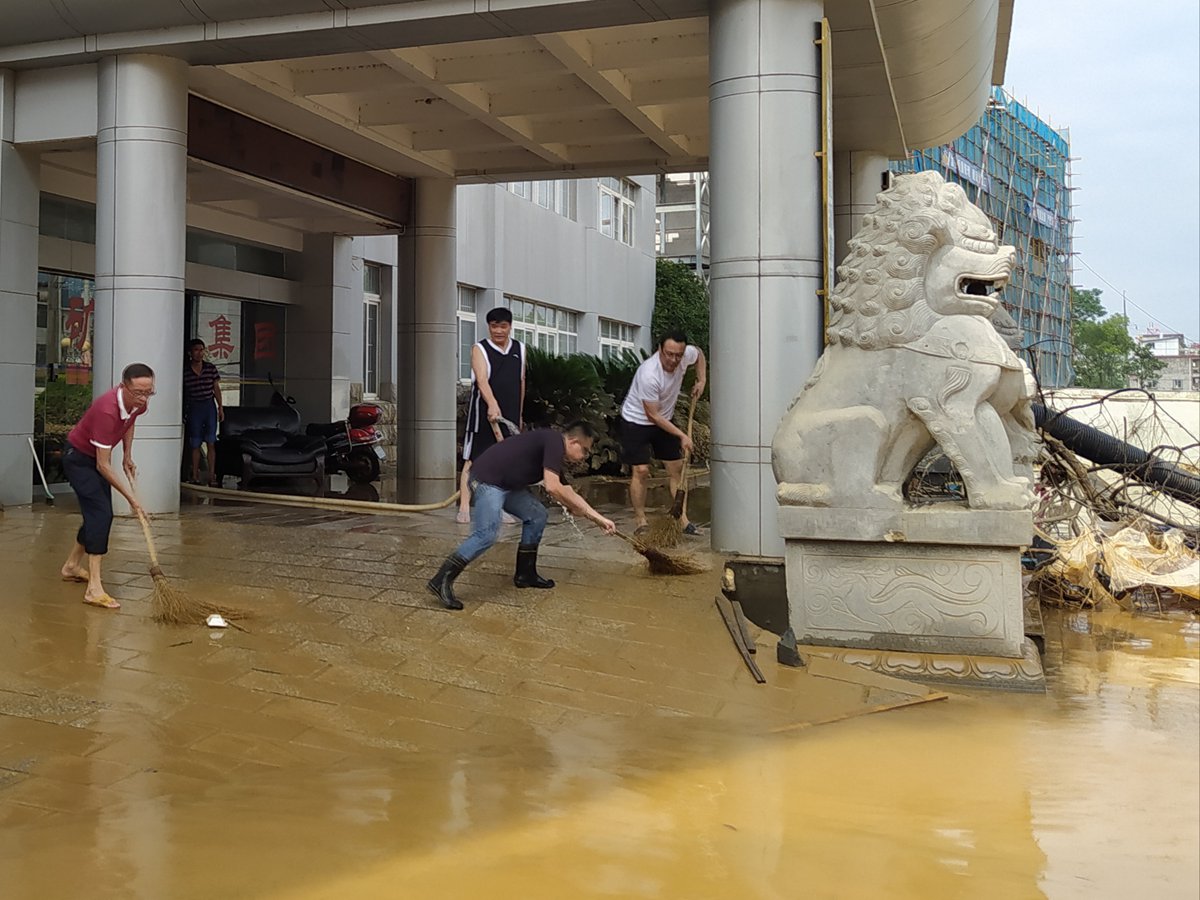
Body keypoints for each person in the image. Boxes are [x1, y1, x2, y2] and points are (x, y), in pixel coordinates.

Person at [428, 421, 616, 610]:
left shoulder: (552, 447)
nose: (584, 457)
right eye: (585, 450)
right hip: (486, 481)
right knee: (487, 533)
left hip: (507, 485)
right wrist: (591, 514)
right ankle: (440, 580)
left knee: (537, 515)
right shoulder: (554, 441)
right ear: (574, 442)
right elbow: (553, 487)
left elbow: (567, 491)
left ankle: (525, 574)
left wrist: (597, 519)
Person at [59, 363, 154, 610]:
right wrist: (132, 500)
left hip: (95, 460)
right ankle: (94, 589)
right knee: (101, 514)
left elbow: (130, 420)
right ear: (124, 387)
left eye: (149, 392)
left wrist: (127, 455)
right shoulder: (106, 410)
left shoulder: (139, 402)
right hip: (79, 459)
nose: (143, 398)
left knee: (96, 515)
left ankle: (71, 566)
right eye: (139, 393)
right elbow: (102, 465)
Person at [619, 329, 707, 535]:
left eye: (678, 355)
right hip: (636, 421)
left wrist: (701, 380)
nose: (674, 360)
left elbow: (699, 354)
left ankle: (682, 519)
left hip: (664, 419)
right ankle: (641, 520)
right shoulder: (649, 374)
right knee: (641, 470)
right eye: (669, 354)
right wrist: (682, 435)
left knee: (676, 469)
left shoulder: (685, 355)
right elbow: (653, 416)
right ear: (659, 349)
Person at [457, 307, 525, 524]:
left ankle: (499, 507)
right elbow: (482, 380)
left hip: (509, 416)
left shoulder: (520, 349)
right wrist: (492, 404)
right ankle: (464, 506)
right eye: (494, 326)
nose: (498, 331)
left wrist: (519, 415)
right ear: (489, 327)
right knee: (473, 459)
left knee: (504, 463)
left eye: (503, 326)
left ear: (510, 327)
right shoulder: (480, 349)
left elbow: (521, 382)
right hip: (482, 415)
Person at [183, 338, 224, 485]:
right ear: (190, 353)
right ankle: (195, 475)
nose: (199, 353)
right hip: (194, 406)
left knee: (211, 442)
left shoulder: (210, 368)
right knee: (195, 443)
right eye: (196, 350)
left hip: (209, 406)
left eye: (202, 350)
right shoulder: (185, 371)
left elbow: (216, 388)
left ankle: (212, 475)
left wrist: (220, 406)